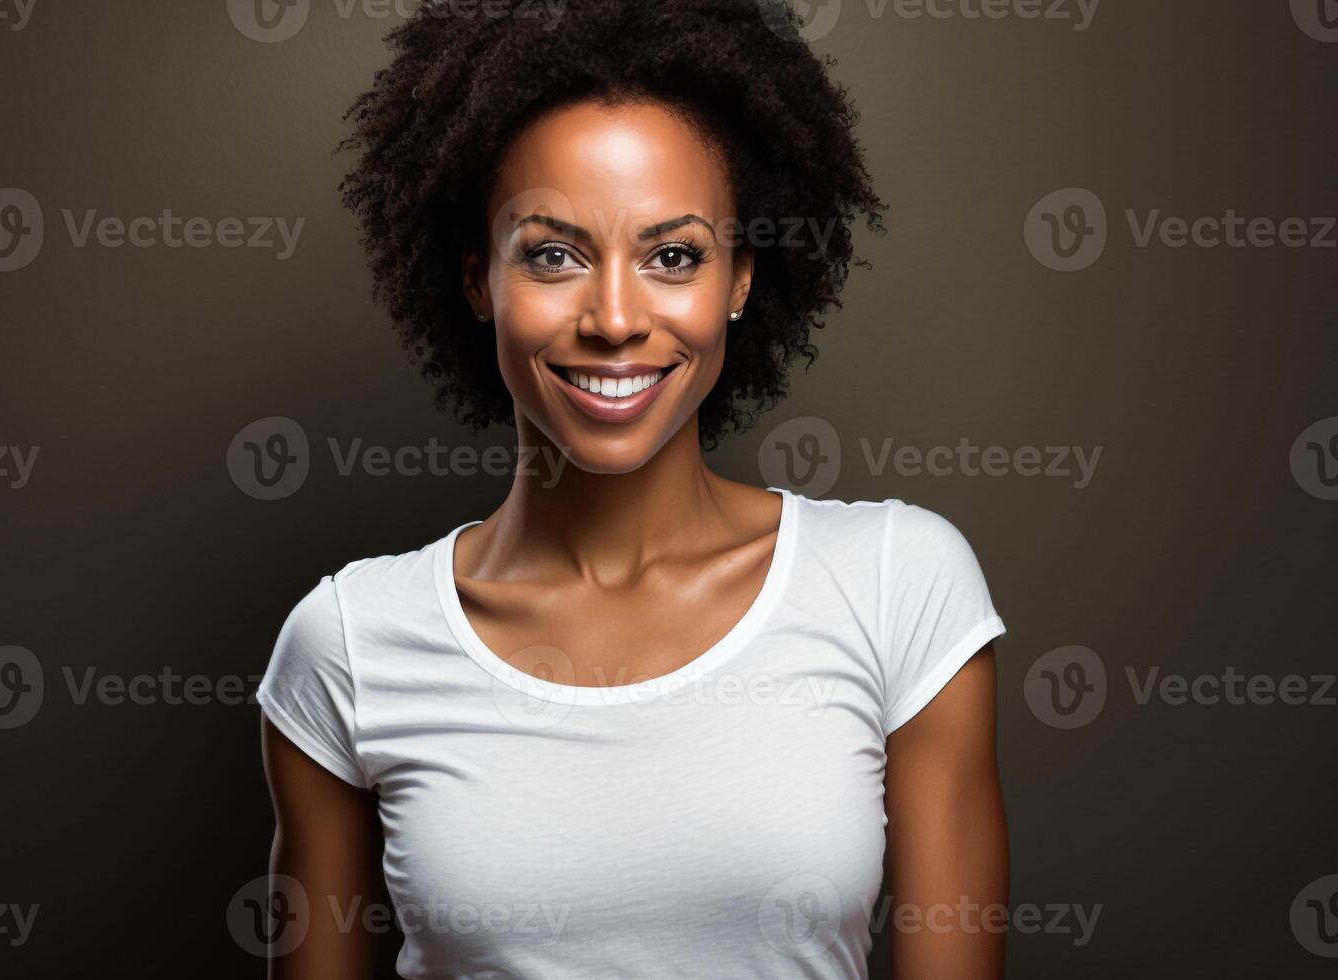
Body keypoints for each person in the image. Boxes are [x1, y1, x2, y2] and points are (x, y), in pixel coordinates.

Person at [257, 1, 1008, 976]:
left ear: (740, 278)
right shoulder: (350, 645)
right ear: (479, 278)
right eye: (554, 253)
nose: (615, 317)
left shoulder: (899, 585)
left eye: (673, 255)